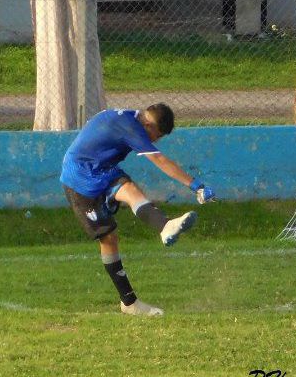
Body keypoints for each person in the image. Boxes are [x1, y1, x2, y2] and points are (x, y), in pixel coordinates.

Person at [60, 103, 216, 317]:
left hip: (103, 170)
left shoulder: (132, 119)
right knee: (108, 238)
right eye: (157, 135)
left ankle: (165, 226)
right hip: (79, 178)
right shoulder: (132, 126)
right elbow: (159, 160)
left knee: (131, 191)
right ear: (148, 125)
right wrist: (195, 184)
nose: (155, 140)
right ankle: (129, 303)